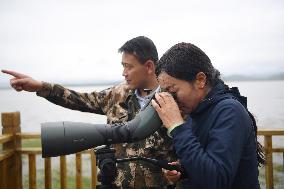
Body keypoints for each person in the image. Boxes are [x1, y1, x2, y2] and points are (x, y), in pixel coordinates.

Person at [2, 36, 177, 189]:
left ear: (148, 66)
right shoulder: (116, 95)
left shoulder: (172, 101)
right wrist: (41, 87)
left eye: (128, 67)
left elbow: (188, 142)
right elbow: (80, 100)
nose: (124, 73)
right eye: (123, 66)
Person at [151, 42, 265, 189]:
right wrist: (183, 169)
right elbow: (208, 161)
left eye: (173, 90)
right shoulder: (198, 110)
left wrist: (177, 126)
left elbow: (216, 180)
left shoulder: (230, 111)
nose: (171, 98)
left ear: (200, 80)